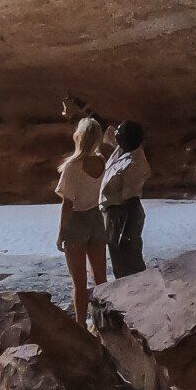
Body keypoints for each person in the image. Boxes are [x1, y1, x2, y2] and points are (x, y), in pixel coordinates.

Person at [54, 116, 109, 323]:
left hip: (77, 221)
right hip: (96, 218)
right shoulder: (102, 161)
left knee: (79, 282)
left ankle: (80, 326)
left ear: (79, 136)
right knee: (101, 279)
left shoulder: (73, 166)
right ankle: (103, 321)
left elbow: (67, 204)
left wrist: (61, 233)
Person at [100, 121, 149, 278]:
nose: (116, 134)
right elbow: (106, 129)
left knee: (128, 257)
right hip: (114, 212)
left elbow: (132, 200)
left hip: (123, 214)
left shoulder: (134, 163)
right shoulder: (122, 150)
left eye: (120, 133)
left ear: (127, 138)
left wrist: (127, 232)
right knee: (118, 258)